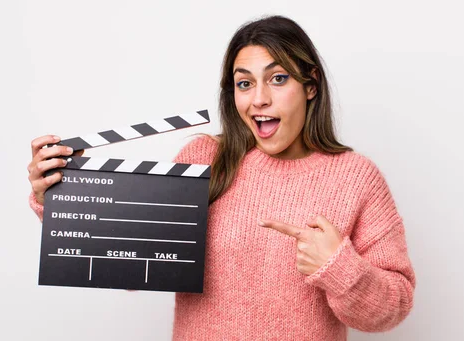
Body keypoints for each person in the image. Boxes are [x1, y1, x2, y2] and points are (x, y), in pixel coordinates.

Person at [27, 15, 416, 341]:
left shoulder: (355, 177)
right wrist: (59, 199)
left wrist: (338, 265)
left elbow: (392, 308)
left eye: (278, 79)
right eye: (244, 83)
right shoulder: (203, 160)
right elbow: (135, 267)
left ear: (310, 85)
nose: (259, 99)